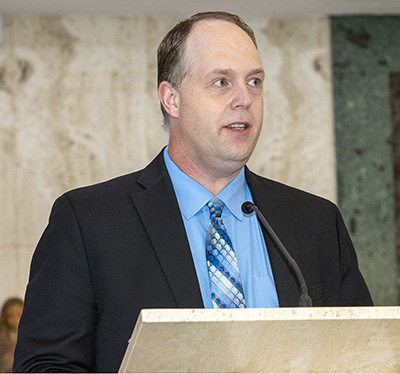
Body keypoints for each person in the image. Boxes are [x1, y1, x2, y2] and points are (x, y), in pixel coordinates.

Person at [13, 11, 373, 373]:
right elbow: (45, 366)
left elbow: (367, 357)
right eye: (221, 82)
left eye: (254, 81)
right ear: (172, 99)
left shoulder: (317, 222)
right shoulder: (88, 222)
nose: (244, 99)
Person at [0, 297, 23, 373]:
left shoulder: (28, 337)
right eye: (11, 316)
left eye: (18, 315)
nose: (15, 319)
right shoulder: (2, 337)